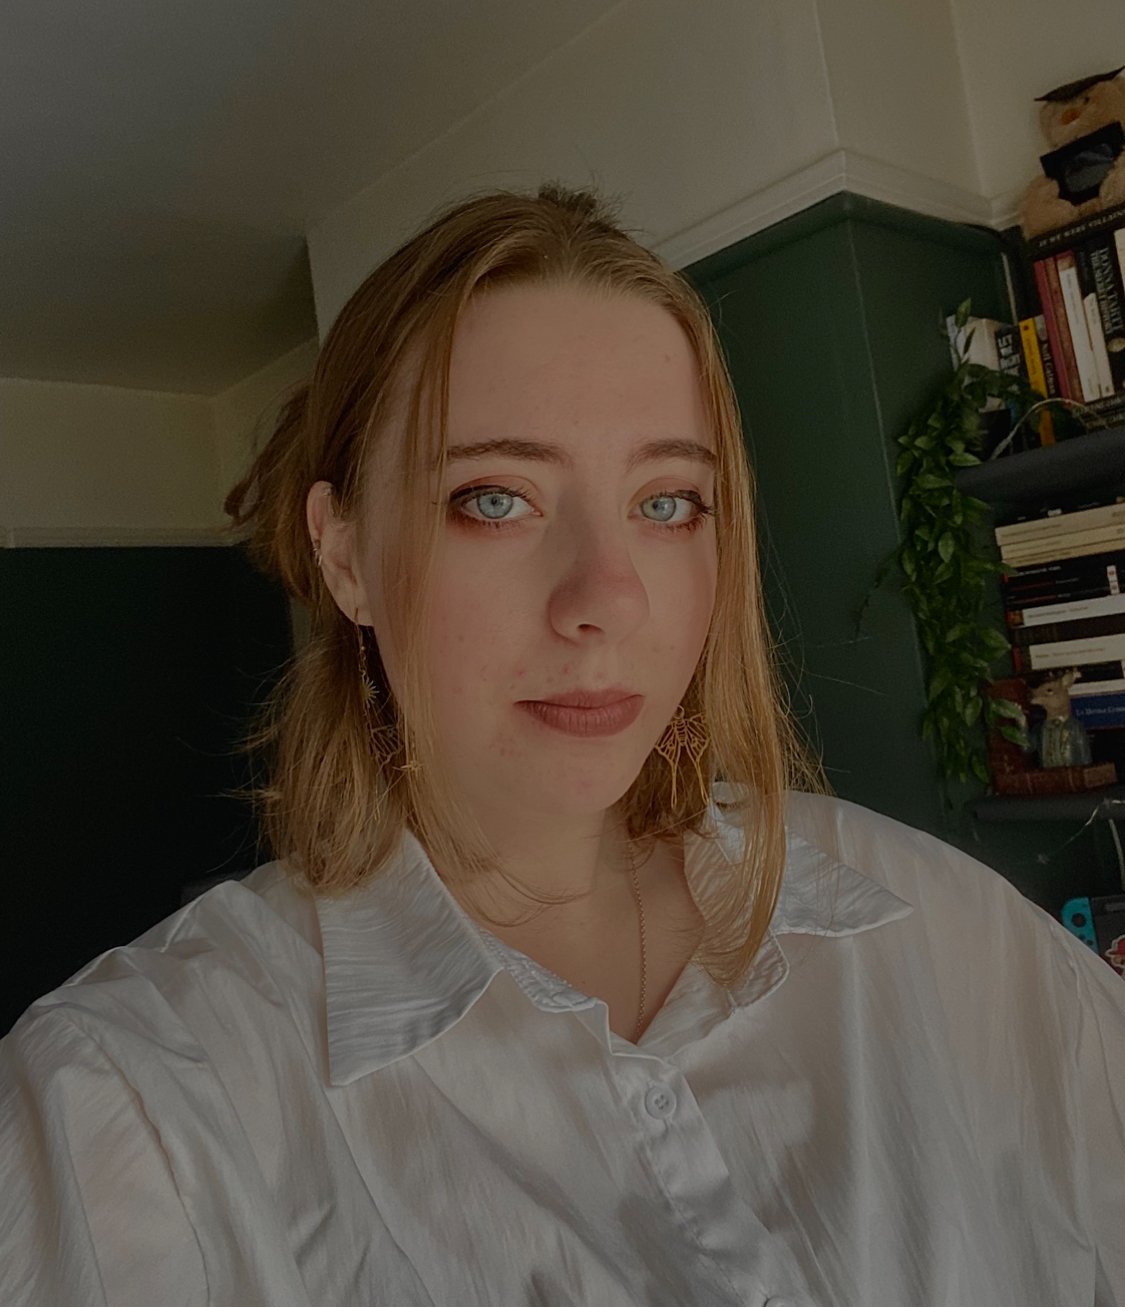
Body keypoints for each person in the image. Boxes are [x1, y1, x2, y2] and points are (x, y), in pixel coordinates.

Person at [1, 185, 1122, 1307]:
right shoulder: (128, 1107)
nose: (607, 598)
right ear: (342, 554)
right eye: (494, 498)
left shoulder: (935, 928)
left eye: (670, 501)